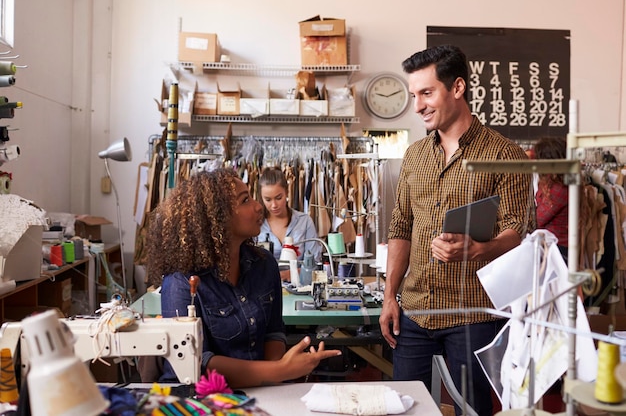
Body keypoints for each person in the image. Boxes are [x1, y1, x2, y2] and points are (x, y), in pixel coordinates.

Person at [378, 45, 533, 416]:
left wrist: (477, 249)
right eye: (414, 95)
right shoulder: (415, 155)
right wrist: (389, 297)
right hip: (414, 311)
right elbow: (401, 226)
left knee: (471, 410)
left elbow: (519, 230)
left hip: (473, 314)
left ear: (458, 87)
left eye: (426, 93)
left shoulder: (504, 155)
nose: (417, 106)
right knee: (407, 408)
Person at [146, 168, 340, 387]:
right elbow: (197, 361)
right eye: (245, 200)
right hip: (200, 397)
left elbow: (273, 332)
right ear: (217, 218)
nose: (259, 206)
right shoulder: (181, 281)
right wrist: (279, 370)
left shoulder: (264, 264)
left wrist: (279, 371)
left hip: (259, 391)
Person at [257, 167, 322, 281]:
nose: (274, 205)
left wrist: (287, 275)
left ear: (287, 192)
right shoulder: (256, 225)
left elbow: (315, 265)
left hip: (300, 289)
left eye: (278, 198)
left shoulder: (304, 222)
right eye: (268, 200)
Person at [534, 136, 569, 261]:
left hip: (558, 250)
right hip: (552, 246)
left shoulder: (560, 188)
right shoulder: (551, 182)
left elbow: (538, 219)